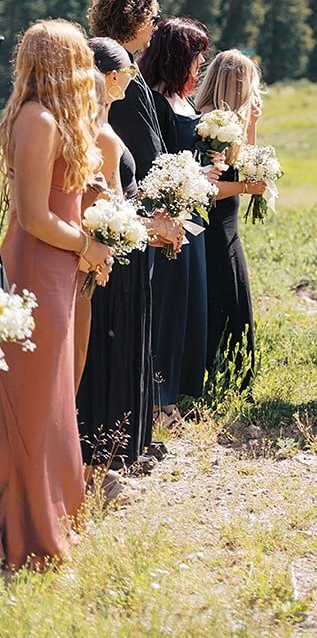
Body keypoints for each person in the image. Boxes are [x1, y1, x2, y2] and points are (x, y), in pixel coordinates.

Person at [0, 21, 113, 569]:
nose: (89, 71)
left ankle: (57, 509)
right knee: (34, 397)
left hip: (58, 266)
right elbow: (33, 215)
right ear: (61, 63)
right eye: (80, 59)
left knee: (54, 394)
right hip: (37, 266)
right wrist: (87, 245)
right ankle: (27, 530)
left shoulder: (58, 119)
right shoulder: (37, 120)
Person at [76, 39, 182, 488]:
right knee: (108, 353)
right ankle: (103, 461)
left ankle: (111, 455)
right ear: (111, 77)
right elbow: (111, 204)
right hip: (109, 259)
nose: (131, 79)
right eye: (126, 73)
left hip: (118, 251)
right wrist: (153, 225)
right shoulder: (99, 132)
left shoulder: (99, 124)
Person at [141, 16, 213, 411]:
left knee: (189, 303)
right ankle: (158, 396)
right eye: (197, 55)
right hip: (170, 216)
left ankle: (179, 392)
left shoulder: (183, 100)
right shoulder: (152, 99)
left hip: (194, 215)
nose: (201, 63)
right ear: (177, 56)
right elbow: (158, 162)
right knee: (166, 305)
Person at [193, 49, 267, 389]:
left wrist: (251, 124)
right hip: (211, 223)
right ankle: (220, 372)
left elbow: (248, 160)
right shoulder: (208, 125)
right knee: (221, 292)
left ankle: (230, 371)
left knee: (232, 289)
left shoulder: (229, 122)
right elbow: (207, 187)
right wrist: (247, 186)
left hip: (228, 224)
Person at [87, 0, 166, 181]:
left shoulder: (105, 61)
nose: (156, 28)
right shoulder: (120, 73)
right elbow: (142, 143)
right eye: (154, 20)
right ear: (136, 19)